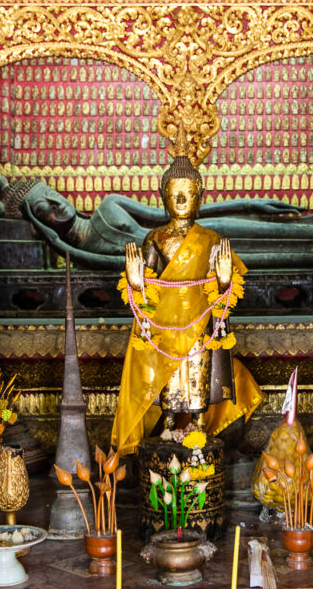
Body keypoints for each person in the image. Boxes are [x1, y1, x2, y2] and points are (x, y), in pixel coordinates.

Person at [111, 156, 263, 454]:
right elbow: (144, 295)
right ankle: (169, 427)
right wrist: (136, 282)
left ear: (199, 197)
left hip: (199, 325)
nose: (180, 199)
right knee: (169, 383)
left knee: (197, 375)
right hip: (164, 328)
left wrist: (223, 280)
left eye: (188, 192)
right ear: (163, 197)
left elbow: (223, 299)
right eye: (174, 193)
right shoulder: (154, 238)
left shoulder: (211, 240)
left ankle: (200, 424)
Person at [0, 170, 313, 270]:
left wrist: (247, 203)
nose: (59, 207)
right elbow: (127, 269)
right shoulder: (84, 251)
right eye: (46, 209)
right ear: (39, 222)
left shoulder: (108, 205)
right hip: (186, 268)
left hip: (195, 233)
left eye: (54, 196)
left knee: (278, 230)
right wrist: (53, 238)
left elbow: (175, 214)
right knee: (280, 255)